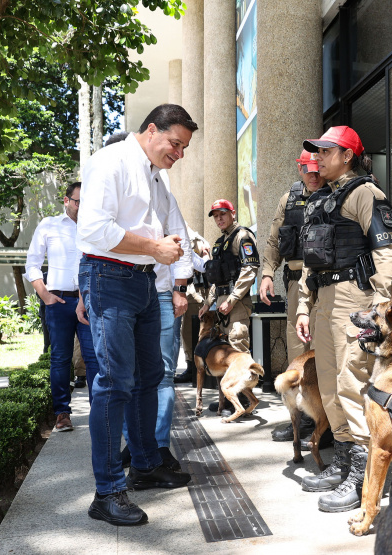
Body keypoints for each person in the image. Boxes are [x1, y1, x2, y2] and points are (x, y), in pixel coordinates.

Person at [76, 104, 197, 526]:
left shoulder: (153, 175)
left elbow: (169, 225)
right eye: (175, 143)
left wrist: (173, 262)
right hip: (109, 278)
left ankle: (145, 464)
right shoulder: (110, 162)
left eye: (184, 147)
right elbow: (91, 231)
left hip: (144, 282)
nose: (179, 153)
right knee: (114, 383)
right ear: (151, 130)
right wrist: (152, 248)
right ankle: (107, 492)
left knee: (148, 378)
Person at [295, 126, 392, 512]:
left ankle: (365, 472)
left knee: (350, 380)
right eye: (317, 152)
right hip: (324, 297)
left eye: (327, 151)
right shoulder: (320, 200)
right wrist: (304, 308)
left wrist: (375, 311)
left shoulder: (365, 193)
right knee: (329, 384)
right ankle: (344, 462)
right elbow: (311, 263)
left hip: (352, 298)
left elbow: (390, 257)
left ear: (348, 156)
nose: (319, 157)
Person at [24, 182, 100, 432]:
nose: (82, 207)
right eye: (78, 202)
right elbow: (32, 263)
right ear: (66, 201)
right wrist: (44, 294)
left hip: (89, 301)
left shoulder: (95, 226)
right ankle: (62, 414)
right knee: (60, 358)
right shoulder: (49, 225)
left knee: (94, 357)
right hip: (58, 301)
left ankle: (99, 413)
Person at [261, 150, 325, 443]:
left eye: (317, 170)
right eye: (308, 170)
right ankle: (301, 423)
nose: (313, 176)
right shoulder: (289, 200)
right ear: (300, 169)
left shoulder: (336, 194)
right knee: (296, 355)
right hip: (293, 281)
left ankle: (328, 424)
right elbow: (274, 240)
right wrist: (266, 274)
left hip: (325, 284)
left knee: (325, 354)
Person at [197, 200, 259, 353]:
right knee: (225, 354)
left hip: (237, 303)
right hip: (221, 303)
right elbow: (218, 279)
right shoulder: (220, 242)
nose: (219, 219)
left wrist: (232, 300)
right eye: (216, 216)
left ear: (233, 214)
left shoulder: (242, 235)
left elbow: (250, 269)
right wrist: (207, 303)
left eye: (223, 214)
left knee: (238, 349)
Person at [175, 225, 211, 384]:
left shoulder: (195, 238)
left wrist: (205, 254)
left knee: (190, 331)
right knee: (180, 333)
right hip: (172, 290)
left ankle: (194, 369)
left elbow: (202, 265)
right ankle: (188, 367)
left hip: (191, 290)